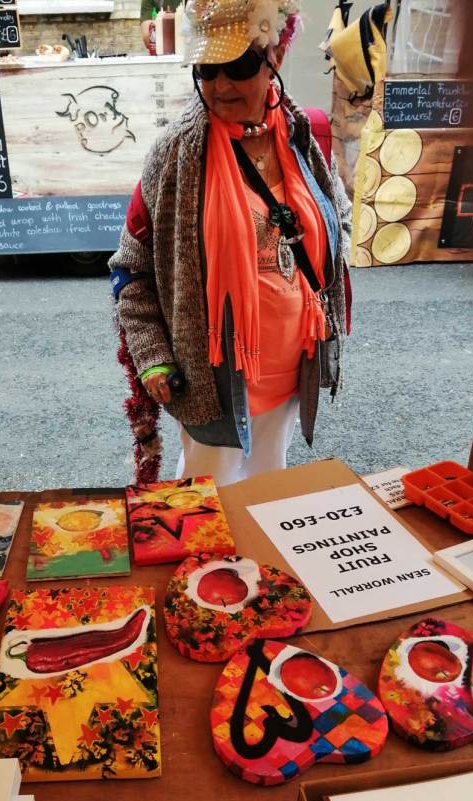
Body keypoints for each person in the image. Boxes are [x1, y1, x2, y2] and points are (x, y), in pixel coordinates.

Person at [111, 0, 352, 486]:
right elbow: (131, 269)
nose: (220, 85)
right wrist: (153, 354)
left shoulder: (299, 133)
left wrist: (319, 289)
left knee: (266, 491)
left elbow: (338, 216)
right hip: (211, 379)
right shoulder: (175, 154)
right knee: (205, 500)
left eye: (238, 66)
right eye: (207, 69)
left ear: (274, 58)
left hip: (292, 366)